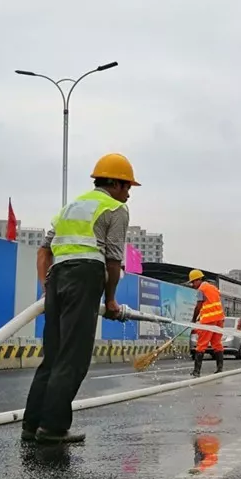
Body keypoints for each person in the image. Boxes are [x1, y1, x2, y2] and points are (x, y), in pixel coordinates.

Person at [22, 153, 139, 444]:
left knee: (53, 356)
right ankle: (53, 428)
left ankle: (31, 426)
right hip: (85, 274)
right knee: (73, 358)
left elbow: (43, 251)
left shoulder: (70, 207)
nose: (128, 194)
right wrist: (111, 300)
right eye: (126, 187)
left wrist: (46, 284)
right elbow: (113, 259)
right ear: (113, 183)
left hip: (58, 274)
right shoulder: (114, 209)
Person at [189, 270, 225, 377]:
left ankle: (196, 371)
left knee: (201, 345)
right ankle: (219, 369)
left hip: (208, 321)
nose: (192, 285)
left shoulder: (201, 289)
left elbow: (199, 305)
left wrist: (194, 319)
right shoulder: (213, 288)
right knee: (217, 344)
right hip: (219, 319)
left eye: (193, 282)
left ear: (198, 280)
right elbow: (211, 304)